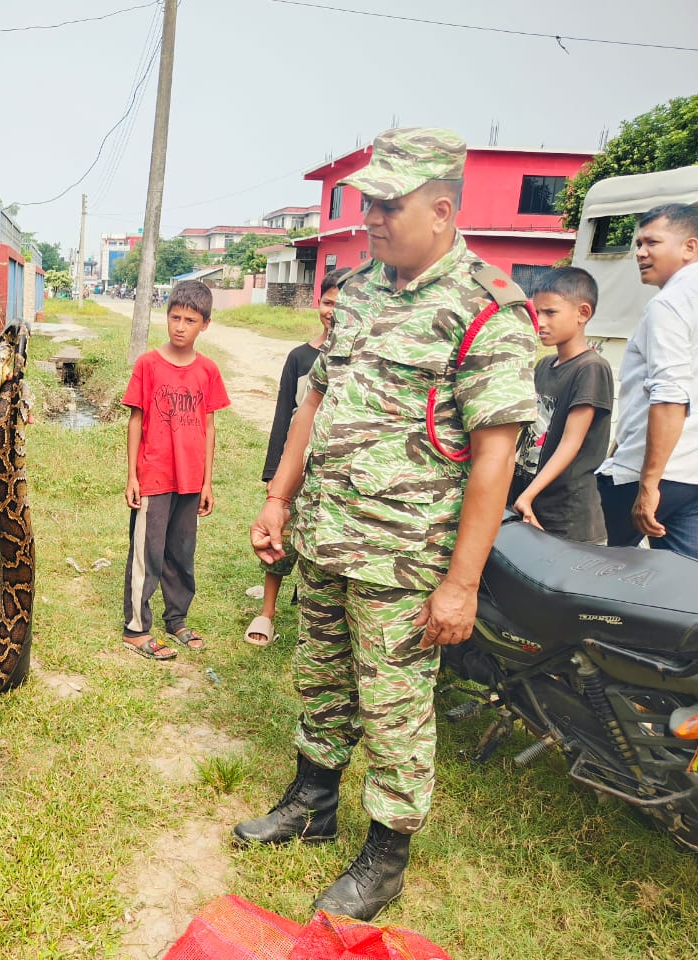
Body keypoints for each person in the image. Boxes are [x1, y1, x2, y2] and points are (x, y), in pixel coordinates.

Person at [232, 128, 537, 921]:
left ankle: (387, 854)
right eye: (366, 201)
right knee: (322, 678)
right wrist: (278, 499)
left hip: (406, 561)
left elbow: (494, 458)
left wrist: (462, 583)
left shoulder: (488, 309)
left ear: (441, 211)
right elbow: (316, 397)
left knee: (396, 704)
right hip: (330, 536)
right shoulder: (361, 291)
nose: (369, 216)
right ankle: (311, 802)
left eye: (386, 204)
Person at [121, 279, 231, 660]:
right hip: (154, 477)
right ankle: (136, 627)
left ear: (205, 325)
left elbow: (209, 427)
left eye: (190, 320)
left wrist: (207, 482)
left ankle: (177, 619)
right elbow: (136, 420)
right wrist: (132, 475)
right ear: (166, 317)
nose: (180, 326)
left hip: (190, 480)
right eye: (174, 317)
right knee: (147, 553)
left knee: (181, 553)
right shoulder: (148, 365)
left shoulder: (208, 371)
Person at [245, 268, 347, 646]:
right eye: (328, 302)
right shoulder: (300, 357)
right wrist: (274, 476)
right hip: (297, 465)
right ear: (317, 303)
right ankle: (267, 611)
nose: (332, 312)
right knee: (280, 538)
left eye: (341, 305)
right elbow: (283, 416)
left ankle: (316, 618)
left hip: (336, 471)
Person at [596, 202, 698, 558]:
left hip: (645, 473)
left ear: (690, 247)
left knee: (588, 570)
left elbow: (671, 396)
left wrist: (649, 483)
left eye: (652, 243)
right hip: (692, 477)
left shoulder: (670, 303)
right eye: (638, 244)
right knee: (680, 592)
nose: (640, 253)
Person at [510, 267, 614, 542]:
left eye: (550, 313)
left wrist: (527, 495)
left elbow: (571, 442)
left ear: (583, 313)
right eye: (537, 313)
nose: (539, 322)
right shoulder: (544, 365)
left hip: (569, 519)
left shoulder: (591, 368)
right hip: (530, 507)